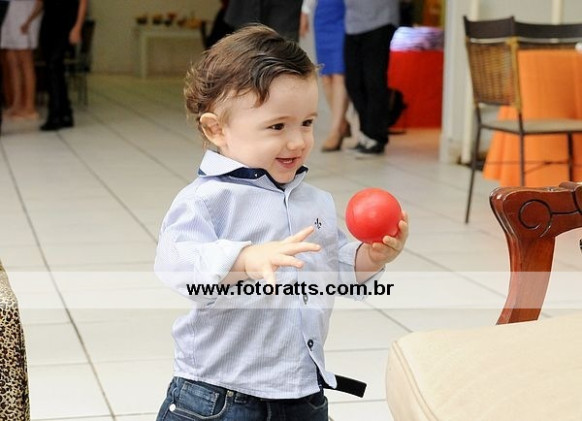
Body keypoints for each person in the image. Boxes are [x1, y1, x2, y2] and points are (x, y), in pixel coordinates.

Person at [154, 24, 409, 421]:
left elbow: (333, 269)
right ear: (216, 129)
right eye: (277, 126)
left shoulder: (315, 202)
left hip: (301, 392)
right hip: (220, 395)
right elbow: (176, 265)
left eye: (307, 123)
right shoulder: (206, 199)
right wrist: (245, 259)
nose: (298, 141)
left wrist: (370, 258)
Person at [344, 0, 399, 157]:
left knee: (374, 81)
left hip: (380, 19)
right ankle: (366, 134)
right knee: (353, 82)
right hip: (352, 22)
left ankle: (376, 137)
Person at [300, 0, 351, 152]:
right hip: (323, 14)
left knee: (339, 74)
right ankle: (342, 122)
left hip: (344, 11)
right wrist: (305, 11)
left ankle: (335, 130)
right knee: (326, 76)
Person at [37, 0, 87, 131]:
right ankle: (65, 113)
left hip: (66, 22)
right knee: (54, 68)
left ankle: (55, 114)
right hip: (48, 21)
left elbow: (83, 2)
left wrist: (78, 27)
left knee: (54, 65)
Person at [1, 0, 42, 120]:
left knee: (25, 61)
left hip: (26, 16)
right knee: (12, 61)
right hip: (11, 15)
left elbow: (40, 3)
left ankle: (29, 106)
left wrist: (29, 20)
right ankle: (16, 104)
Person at [224, 0, 303, 41]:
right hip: (246, 8)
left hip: (285, 10)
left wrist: (306, 8)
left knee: (282, 54)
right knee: (244, 54)